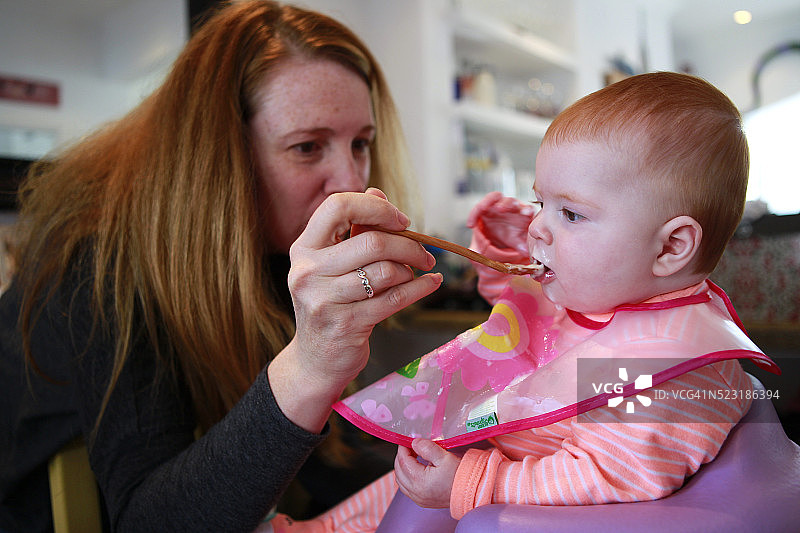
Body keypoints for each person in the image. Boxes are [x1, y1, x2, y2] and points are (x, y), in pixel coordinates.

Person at [260, 72, 779, 532]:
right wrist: (502, 259)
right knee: (422, 472)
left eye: (571, 214)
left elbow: (606, 475)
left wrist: (477, 483)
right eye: (540, 203)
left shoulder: (669, 367)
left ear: (670, 247)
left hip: (530, 502)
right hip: (503, 464)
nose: (539, 227)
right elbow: (530, 324)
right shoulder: (611, 297)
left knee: (435, 486)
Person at [0, 2, 444, 532]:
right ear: (221, 155)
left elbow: (326, 465)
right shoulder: (101, 263)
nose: (349, 179)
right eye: (307, 147)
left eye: (360, 143)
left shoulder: (269, 250)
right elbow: (148, 523)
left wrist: (465, 467)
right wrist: (309, 366)